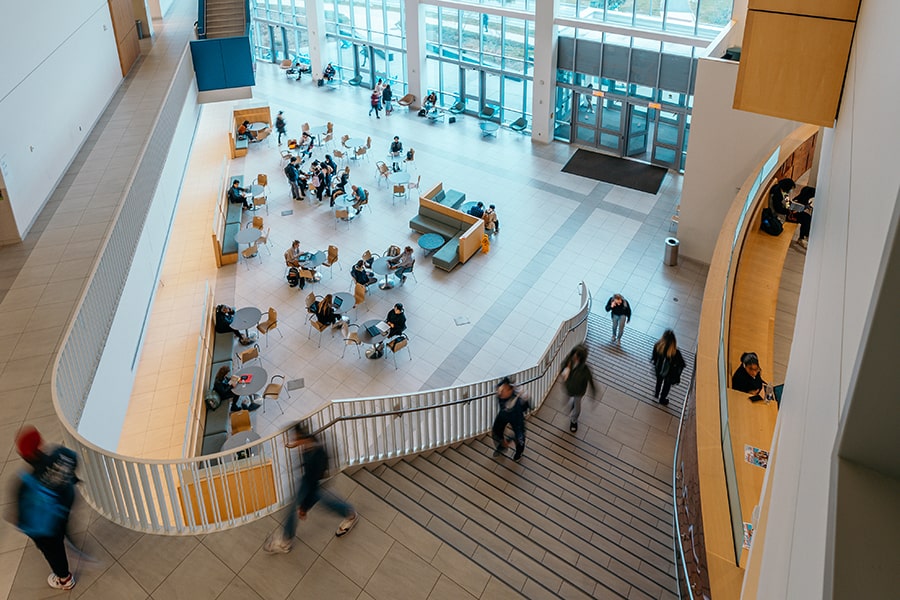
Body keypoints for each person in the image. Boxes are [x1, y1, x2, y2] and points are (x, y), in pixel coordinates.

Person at [263, 422, 357, 553]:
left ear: (301, 438)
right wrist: (295, 444)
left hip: (312, 480)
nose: (292, 441)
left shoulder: (315, 457)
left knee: (304, 504)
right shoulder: (310, 444)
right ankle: (348, 512)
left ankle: (285, 542)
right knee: (314, 501)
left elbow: (312, 483)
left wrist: (304, 507)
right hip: (310, 479)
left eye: (295, 438)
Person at [14, 426, 79, 591]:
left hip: (47, 527)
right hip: (63, 511)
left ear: (25, 456)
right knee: (60, 535)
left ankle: (64, 579)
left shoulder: (27, 484)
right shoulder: (61, 455)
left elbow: (23, 517)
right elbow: (73, 464)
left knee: (53, 550)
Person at [491, 376, 530, 462]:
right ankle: (502, 445)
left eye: (504, 391)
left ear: (511, 390)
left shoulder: (519, 398)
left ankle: (519, 452)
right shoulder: (501, 391)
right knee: (496, 430)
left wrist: (510, 439)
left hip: (516, 417)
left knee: (519, 436)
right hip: (504, 414)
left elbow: (526, 407)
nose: (501, 393)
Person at [560, 344, 596, 433]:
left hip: (578, 392)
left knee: (577, 409)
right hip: (569, 388)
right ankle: (571, 405)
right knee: (568, 399)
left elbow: (591, 381)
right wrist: (565, 370)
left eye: (577, 356)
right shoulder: (569, 361)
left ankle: (573, 421)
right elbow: (562, 366)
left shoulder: (585, 369)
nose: (574, 357)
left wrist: (593, 393)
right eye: (574, 355)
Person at [650, 329, 686, 406]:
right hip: (669, 374)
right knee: (666, 386)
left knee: (658, 382)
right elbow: (682, 364)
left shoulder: (657, 346)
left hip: (659, 370)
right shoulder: (675, 352)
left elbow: (654, 358)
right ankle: (662, 399)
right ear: (674, 341)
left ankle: (656, 394)